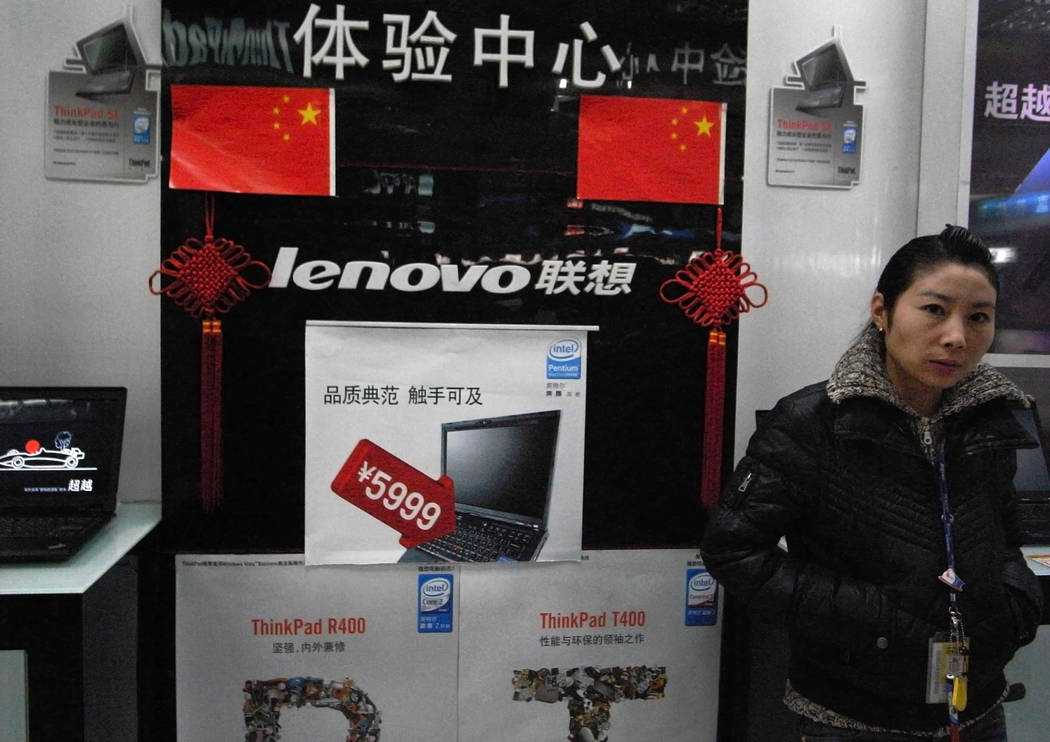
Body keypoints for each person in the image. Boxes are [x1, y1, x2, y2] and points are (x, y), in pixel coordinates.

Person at [700, 225, 1044, 741]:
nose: (956, 336)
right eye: (934, 310)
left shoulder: (991, 419)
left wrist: (1014, 608)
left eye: (978, 317)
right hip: (854, 715)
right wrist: (874, 620)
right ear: (882, 311)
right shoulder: (811, 421)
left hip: (976, 707)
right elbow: (734, 551)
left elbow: (1007, 536)